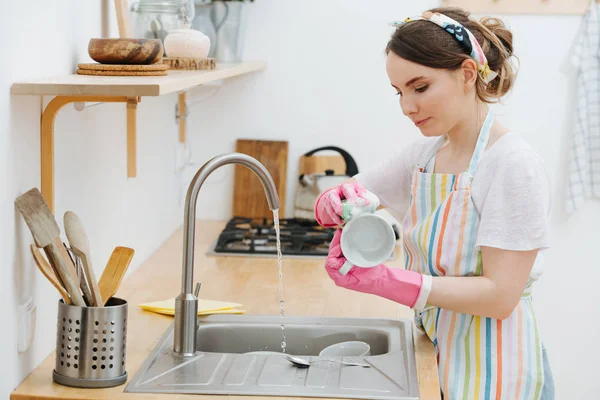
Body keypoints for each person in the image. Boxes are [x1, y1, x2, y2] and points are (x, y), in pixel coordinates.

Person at [314, 7, 555, 400]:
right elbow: (352, 193)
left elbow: (499, 296)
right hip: (437, 353)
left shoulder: (512, 165)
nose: (406, 107)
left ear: (466, 74)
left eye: (420, 87)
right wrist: (334, 202)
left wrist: (387, 282)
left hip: (499, 371)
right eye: (399, 92)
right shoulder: (425, 155)